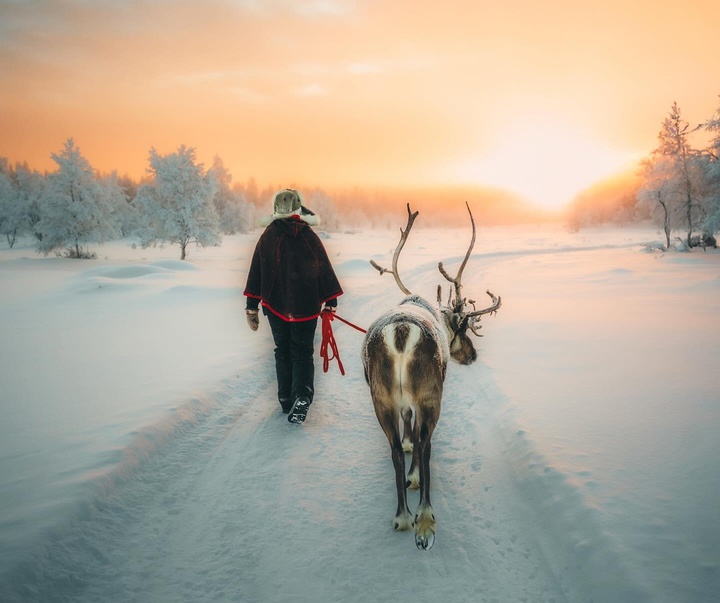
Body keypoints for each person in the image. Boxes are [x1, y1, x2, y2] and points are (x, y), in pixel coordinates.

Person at [244, 189, 343, 424]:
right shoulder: (309, 236)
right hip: (306, 308)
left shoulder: (268, 237)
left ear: (276, 210)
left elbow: (256, 271)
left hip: (276, 306)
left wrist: (251, 307)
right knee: (302, 352)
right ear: (298, 210)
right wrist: (331, 301)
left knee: (283, 350)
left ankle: (286, 398)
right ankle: (303, 396)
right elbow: (324, 269)